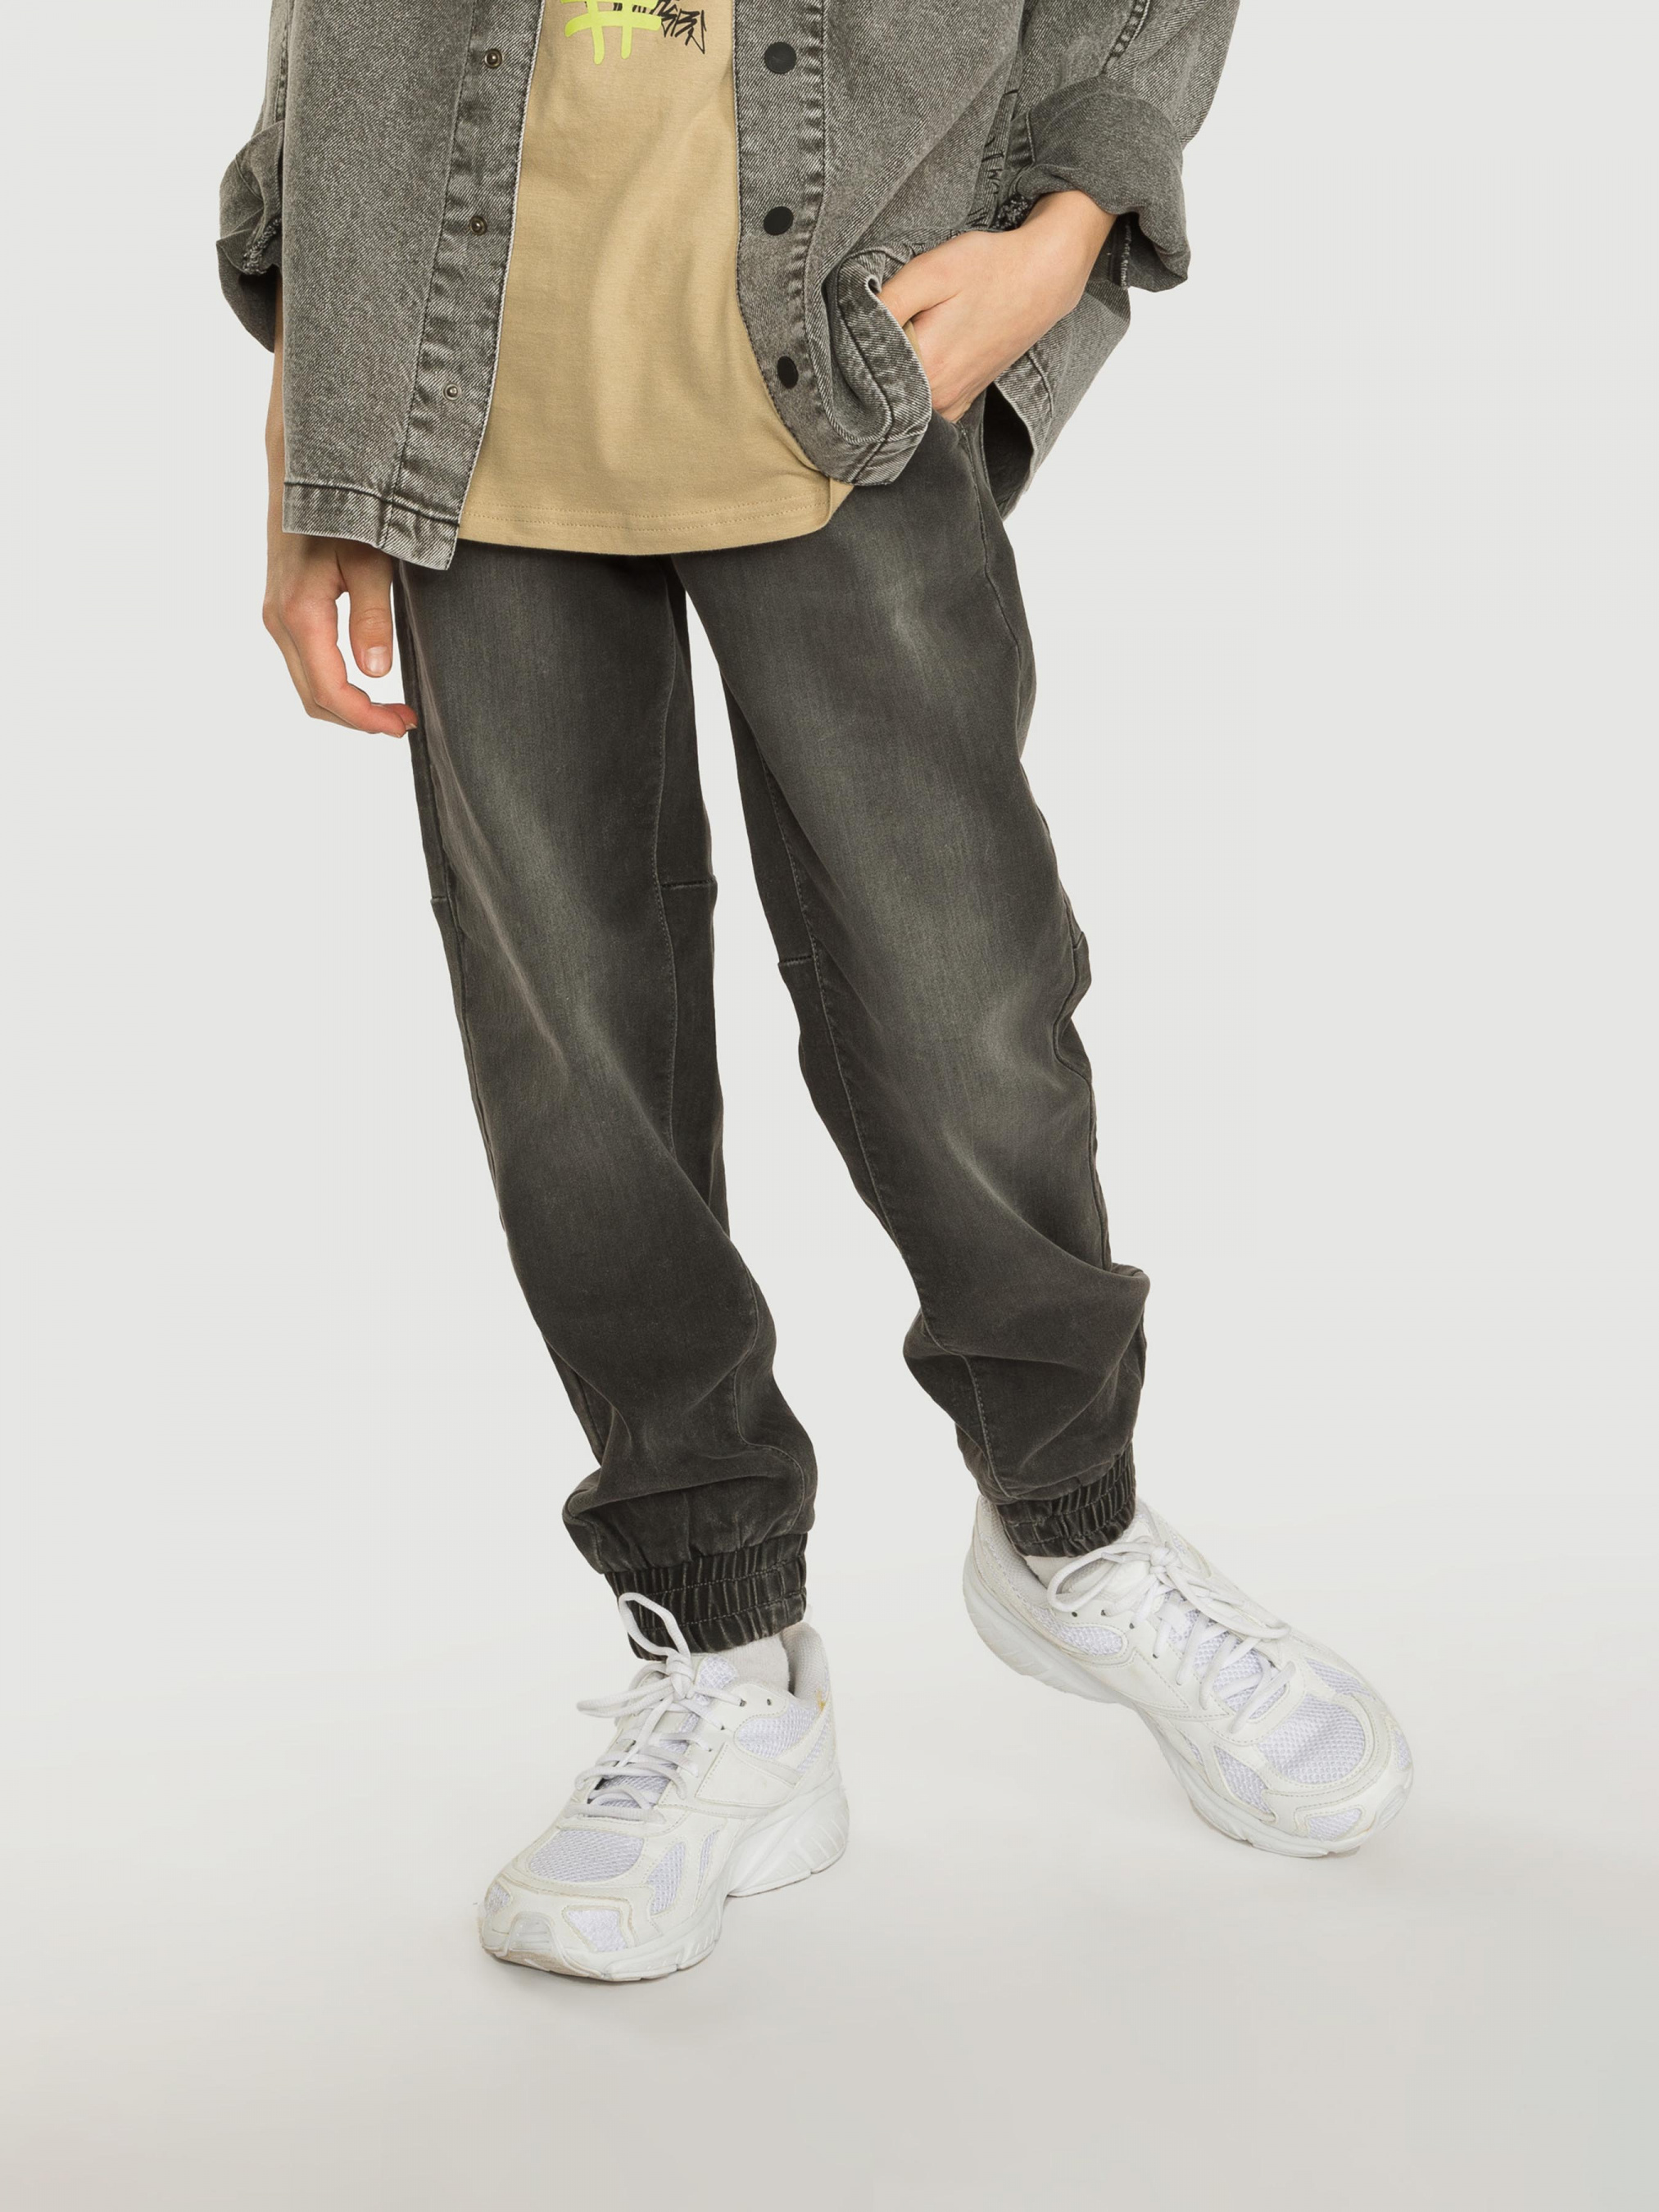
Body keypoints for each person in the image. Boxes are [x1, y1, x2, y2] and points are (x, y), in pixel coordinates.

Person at [221, 0, 1412, 1983]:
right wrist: (308, 421)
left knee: (966, 1014)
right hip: (457, 390)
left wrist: (1061, 232)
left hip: (843, 368)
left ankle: (1071, 1528)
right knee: (573, 1071)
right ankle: (724, 1653)